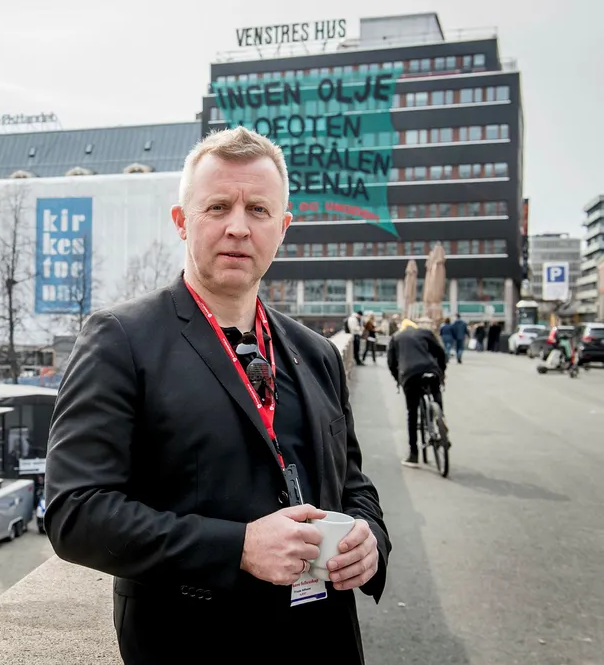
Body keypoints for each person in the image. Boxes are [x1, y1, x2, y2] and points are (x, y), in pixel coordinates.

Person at [44, 126, 390, 663]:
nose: (238, 227)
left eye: (258, 210)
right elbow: (75, 512)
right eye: (218, 207)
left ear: (282, 228)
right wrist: (238, 548)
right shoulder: (121, 340)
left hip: (325, 642)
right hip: (193, 645)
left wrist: (371, 541)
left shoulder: (318, 352)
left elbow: (353, 484)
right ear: (182, 221)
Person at [386, 319, 449, 467]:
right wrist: (441, 372)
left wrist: (398, 379)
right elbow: (440, 353)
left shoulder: (396, 338)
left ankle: (413, 454)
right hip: (431, 370)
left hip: (409, 375)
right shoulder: (425, 333)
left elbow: (391, 363)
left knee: (412, 413)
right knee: (436, 392)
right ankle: (442, 423)